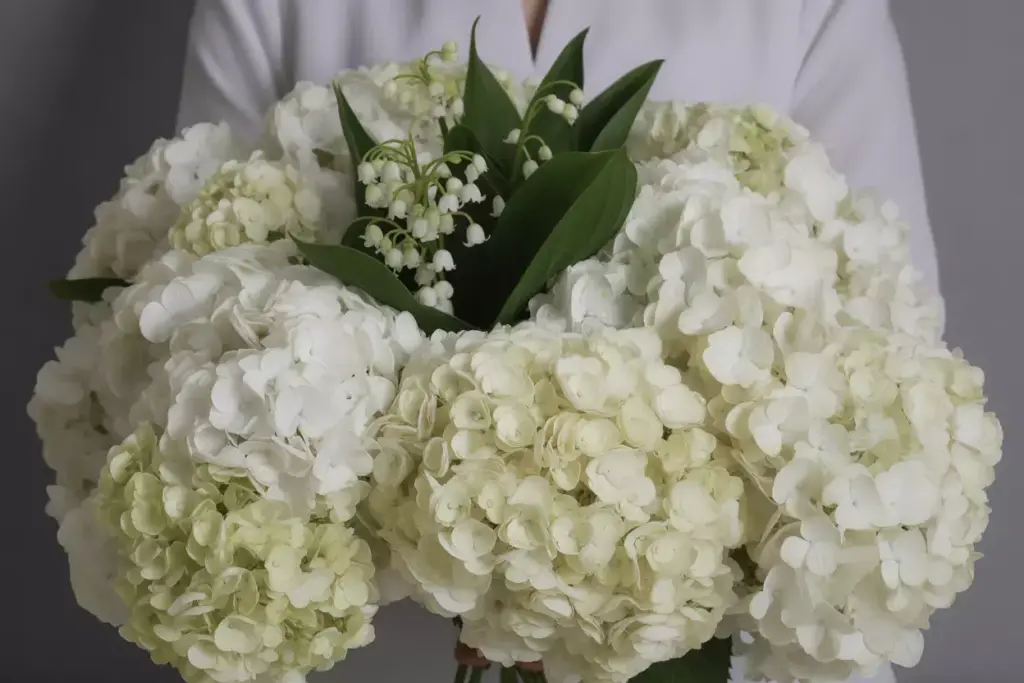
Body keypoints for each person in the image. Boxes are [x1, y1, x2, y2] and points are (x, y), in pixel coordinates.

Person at [176, 2, 932, 682]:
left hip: (694, 631)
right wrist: (484, 574)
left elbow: (891, 336)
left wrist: (600, 588)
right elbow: (201, 304)